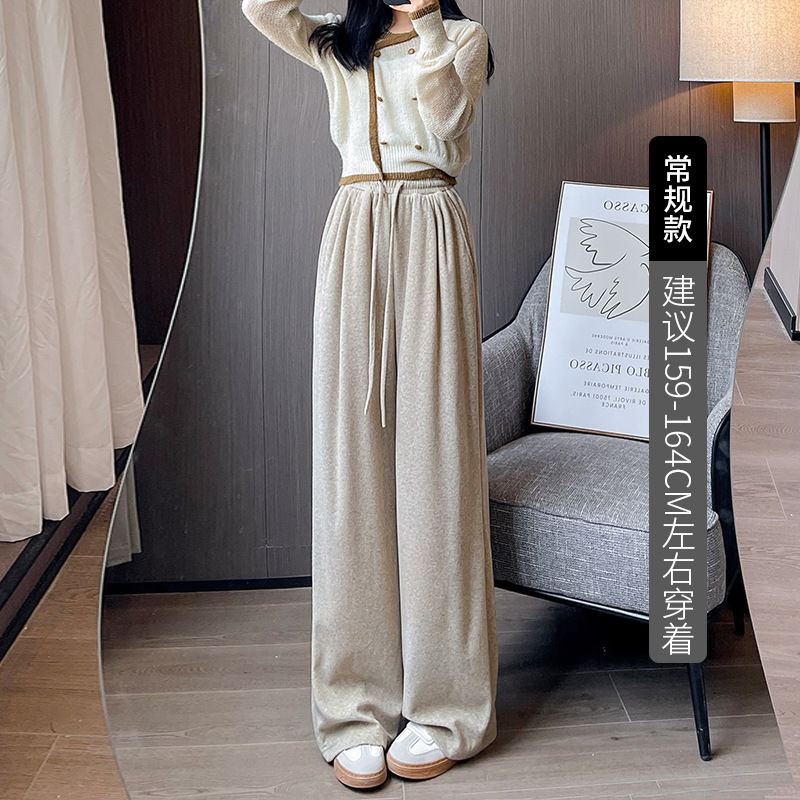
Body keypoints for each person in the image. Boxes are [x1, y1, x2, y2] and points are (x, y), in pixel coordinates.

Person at [241, 0, 498, 789]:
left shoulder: (464, 39)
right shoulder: (335, 42)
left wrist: (427, 24)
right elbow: (259, 8)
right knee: (350, 472)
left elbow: (448, 119)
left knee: (438, 472)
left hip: (431, 228)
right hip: (354, 230)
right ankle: (355, 706)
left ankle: (446, 708)